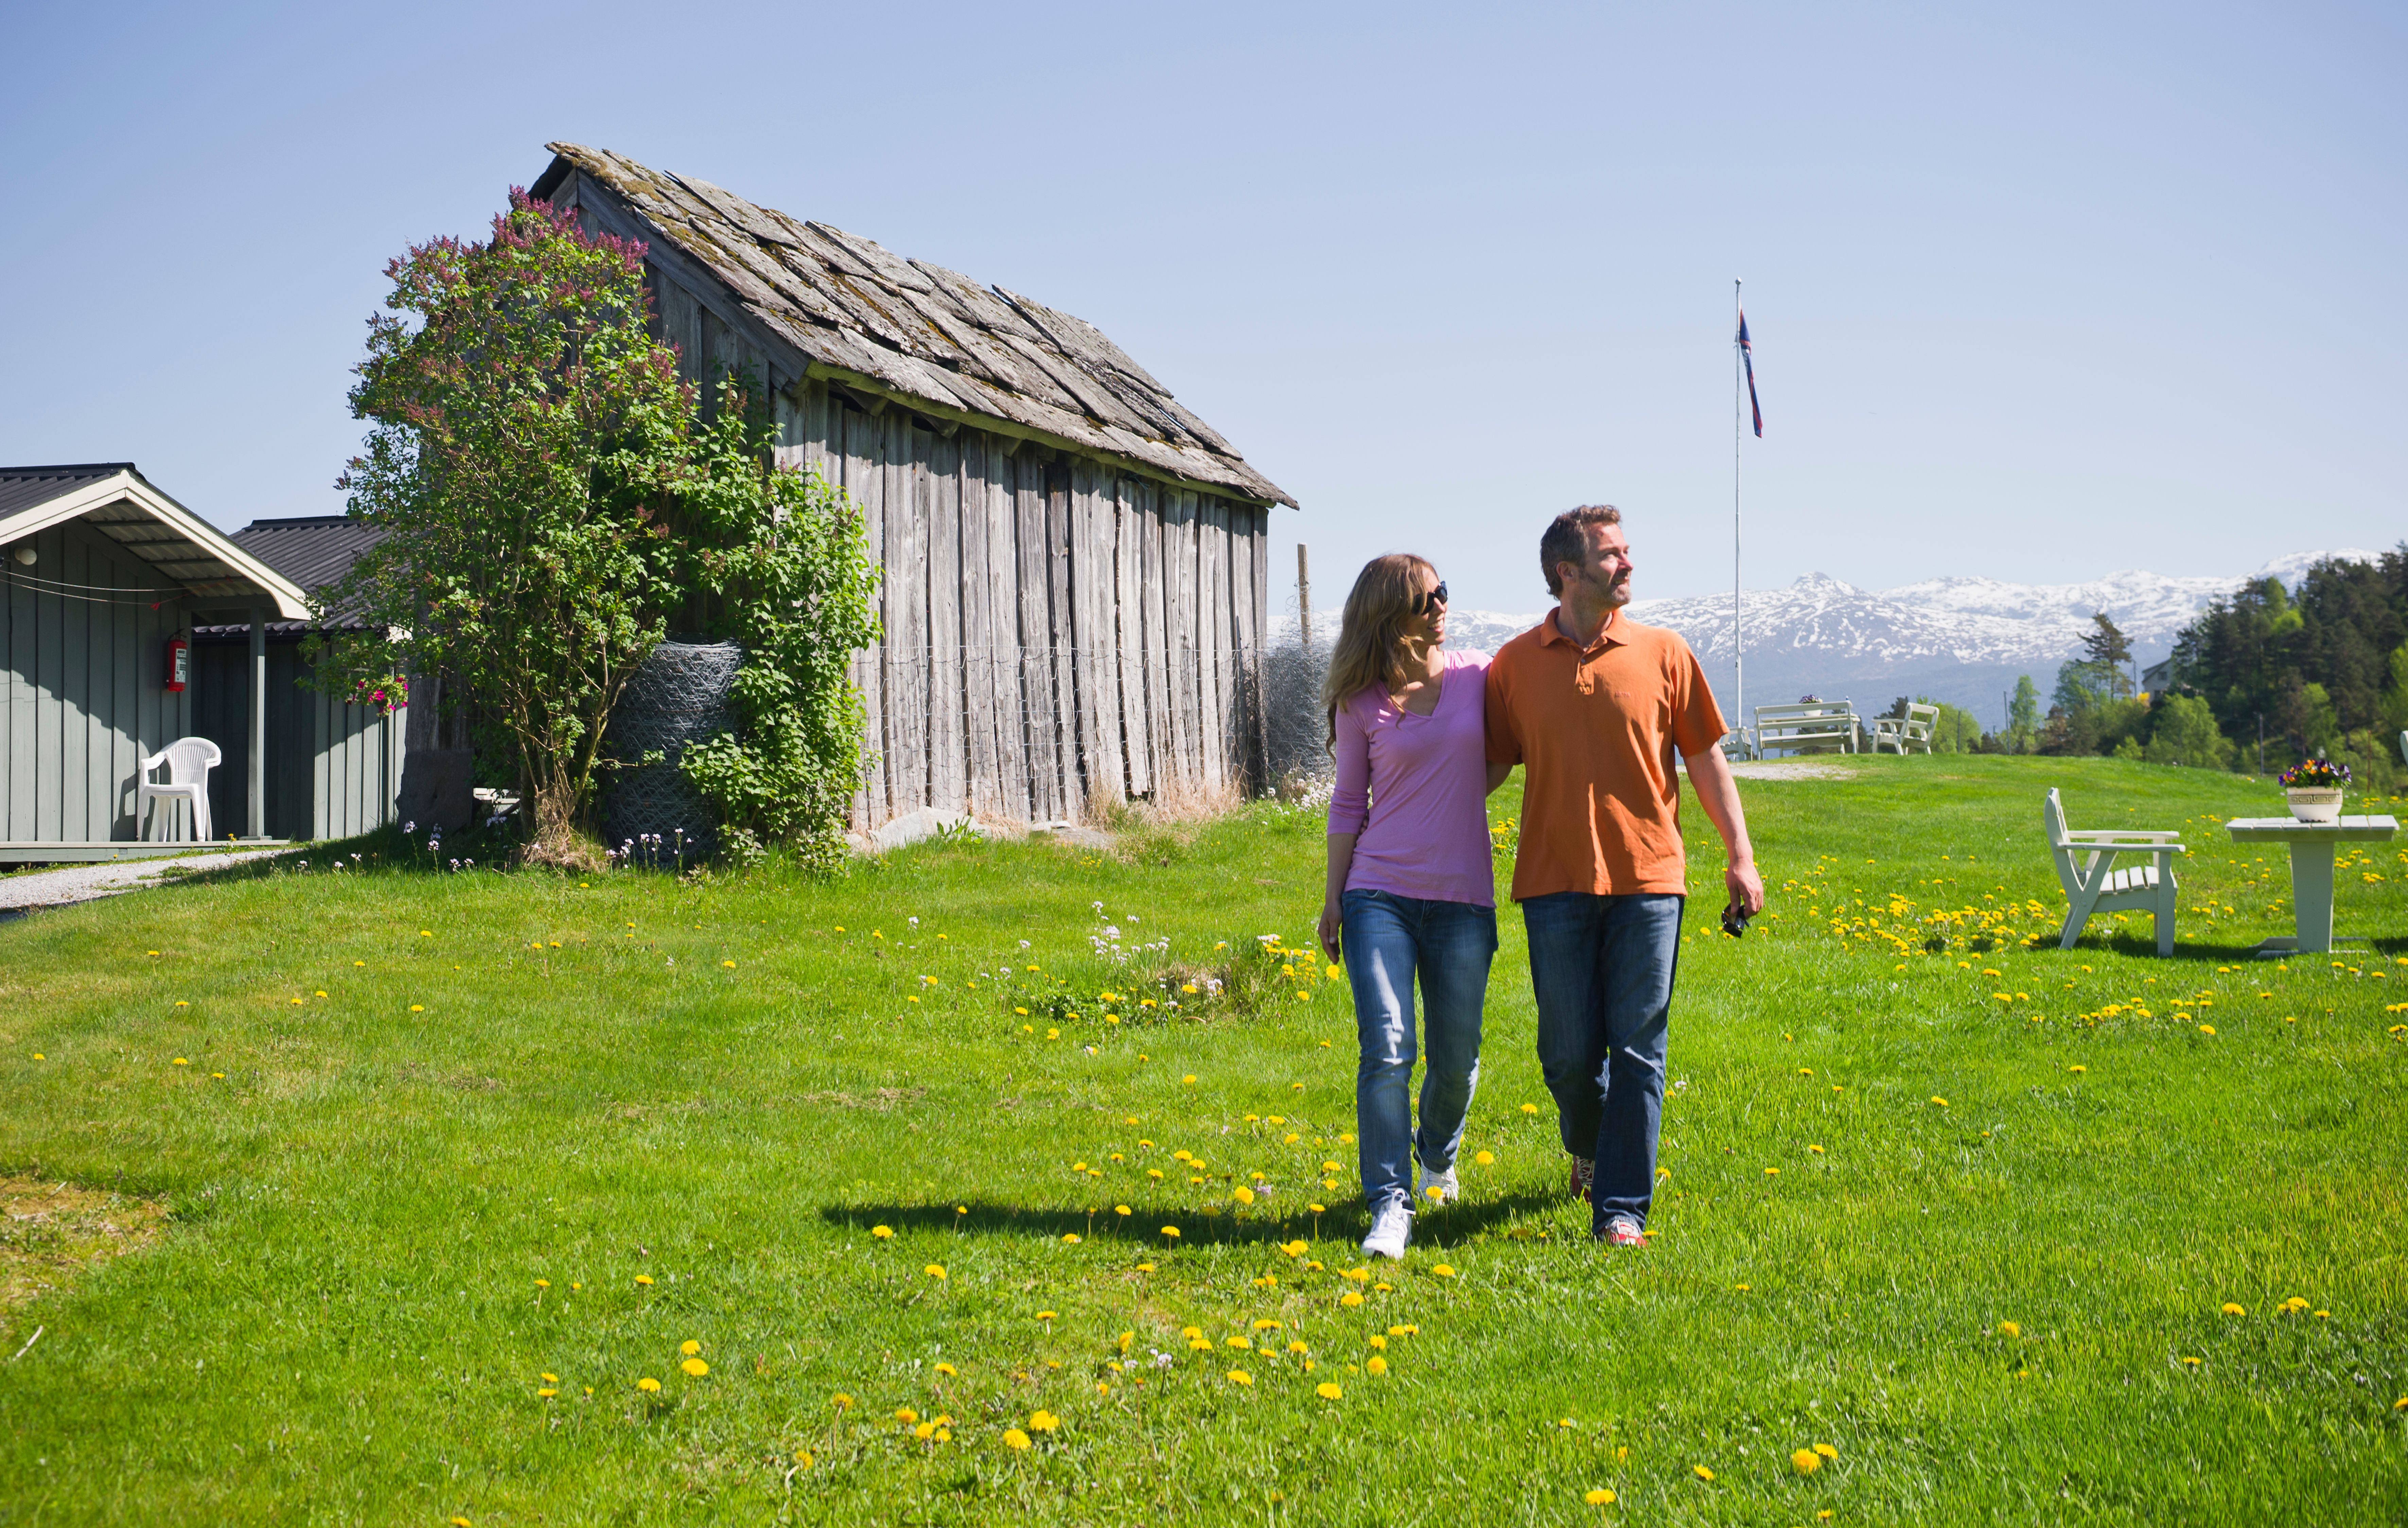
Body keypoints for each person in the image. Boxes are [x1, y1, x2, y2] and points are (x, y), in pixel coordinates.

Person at [1483, 505, 1764, 1247]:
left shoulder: (1666, 651)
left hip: (1650, 879)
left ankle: (1621, 1210)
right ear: (1566, 572)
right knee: (1568, 1053)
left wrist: (1739, 853)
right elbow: (1485, 765)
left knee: (1639, 1047)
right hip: (1551, 882)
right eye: (1611, 554)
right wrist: (1402, 810)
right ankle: (1587, 1142)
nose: (1628, 564)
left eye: (1626, 550)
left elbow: (1704, 757)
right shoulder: (1513, 665)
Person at [1317, 555, 1511, 1260]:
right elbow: (1347, 804)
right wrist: (1334, 901)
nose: (1440, 605)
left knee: (1456, 1058)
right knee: (1389, 1046)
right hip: (1379, 894)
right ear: (1389, 615)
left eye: (1442, 593)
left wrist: (1452, 794)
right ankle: (1389, 1203)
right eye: (1426, 598)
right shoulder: (1359, 698)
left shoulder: (1476, 674)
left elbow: (1500, 759)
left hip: (1462, 896)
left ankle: (1438, 1154)